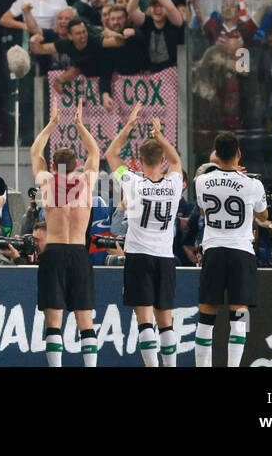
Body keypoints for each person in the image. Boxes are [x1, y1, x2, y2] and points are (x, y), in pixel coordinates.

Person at [105, 109, 182, 367]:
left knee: (145, 320)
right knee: (166, 320)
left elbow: (111, 155)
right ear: (161, 160)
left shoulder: (132, 183)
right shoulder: (173, 185)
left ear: (138, 160)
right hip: (164, 257)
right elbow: (176, 162)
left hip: (138, 256)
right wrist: (160, 136)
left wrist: (128, 126)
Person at [30, 98, 101, 366]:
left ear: (54, 165)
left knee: (54, 319)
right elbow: (94, 153)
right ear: (75, 165)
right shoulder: (85, 181)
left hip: (55, 252)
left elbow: (34, 152)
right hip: (79, 252)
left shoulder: (47, 182)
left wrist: (50, 125)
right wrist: (80, 126)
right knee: (85, 319)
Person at [194, 132, 268, 368]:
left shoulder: (201, 182)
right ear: (239, 154)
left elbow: (205, 212)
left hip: (213, 249)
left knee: (206, 314)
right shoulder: (253, 184)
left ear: (215, 155)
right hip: (241, 251)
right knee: (240, 313)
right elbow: (263, 215)